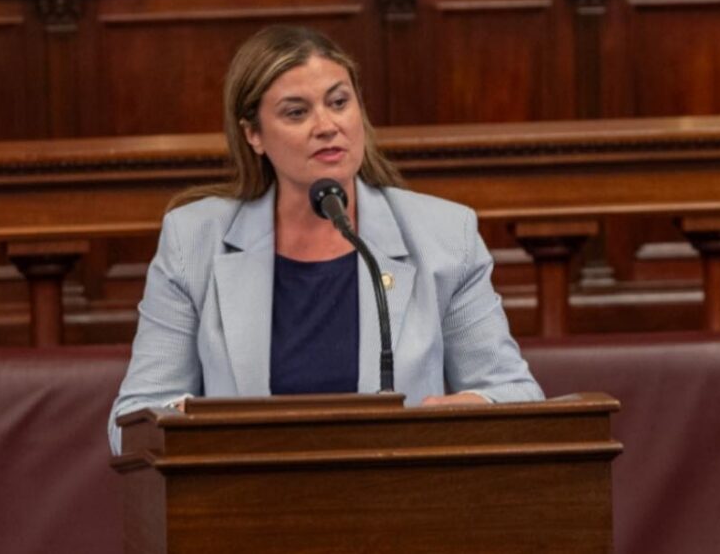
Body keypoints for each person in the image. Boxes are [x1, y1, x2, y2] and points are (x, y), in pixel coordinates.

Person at [108, 25, 542, 453]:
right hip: (248, 493)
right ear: (253, 134)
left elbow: (516, 393)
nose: (327, 125)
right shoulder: (194, 241)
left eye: (339, 102)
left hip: (397, 491)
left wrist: (460, 413)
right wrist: (186, 423)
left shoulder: (444, 236)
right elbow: (130, 421)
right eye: (296, 112)